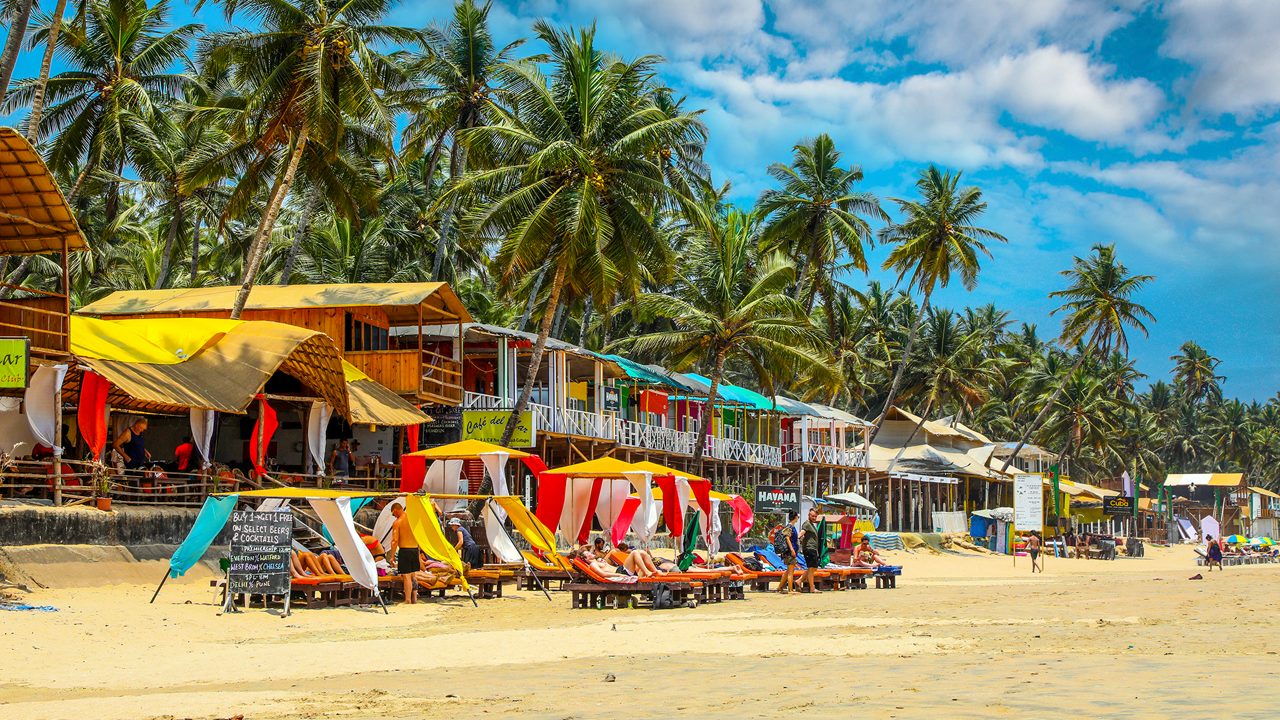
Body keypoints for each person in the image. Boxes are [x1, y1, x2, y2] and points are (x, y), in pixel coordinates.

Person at [388, 504, 419, 603]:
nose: (394, 516)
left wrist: (392, 556)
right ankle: (414, 598)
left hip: (405, 550)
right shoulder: (412, 519)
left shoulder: (397, 522)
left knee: (406, 576)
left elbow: (394, 540)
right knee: (413, 575)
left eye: (393, 514)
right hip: (415, 549)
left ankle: (408, 599)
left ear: (396, 510)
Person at [774, 514, 800, 595]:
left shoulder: (790, 526)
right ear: (795, 517)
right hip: (789, 552)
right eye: (797, 516)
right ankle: (790, 590)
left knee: (788, 571)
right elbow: (787, 538)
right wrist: (792, 550)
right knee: (790, 572)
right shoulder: (790, 527)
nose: (798, 518)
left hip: (789, 551)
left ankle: (780, 587)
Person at [800, 507, 822, 593]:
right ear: (808, 515)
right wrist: (798, 537)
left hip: (812, 549)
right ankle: (812, 588)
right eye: (812, 516)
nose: (814, 518)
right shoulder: (807, 524)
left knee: (812, 568)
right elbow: (802, 532)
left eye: (815, 516)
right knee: (812, 568)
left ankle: (799, 581)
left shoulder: (812, 525)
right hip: (809, 549)